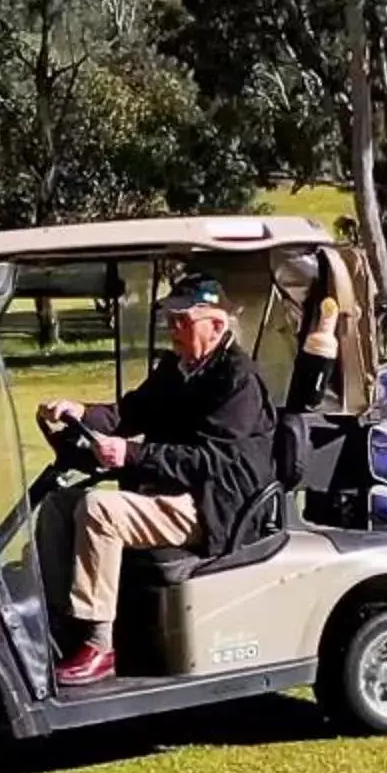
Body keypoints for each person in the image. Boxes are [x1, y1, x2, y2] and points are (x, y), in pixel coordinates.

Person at [35, 270, 278, 685]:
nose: (173, 330)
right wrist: (82, 412)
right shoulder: (177, 368)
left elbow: (211, 462)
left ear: (216, 325)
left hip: (212, 505)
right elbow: (129, 414)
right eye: (170, 320)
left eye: (182, 321)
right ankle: (60, 626)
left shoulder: (238, 381)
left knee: (101, 509)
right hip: (168, 496)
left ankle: (99, 645)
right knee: (60, 504)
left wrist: (131, 454)